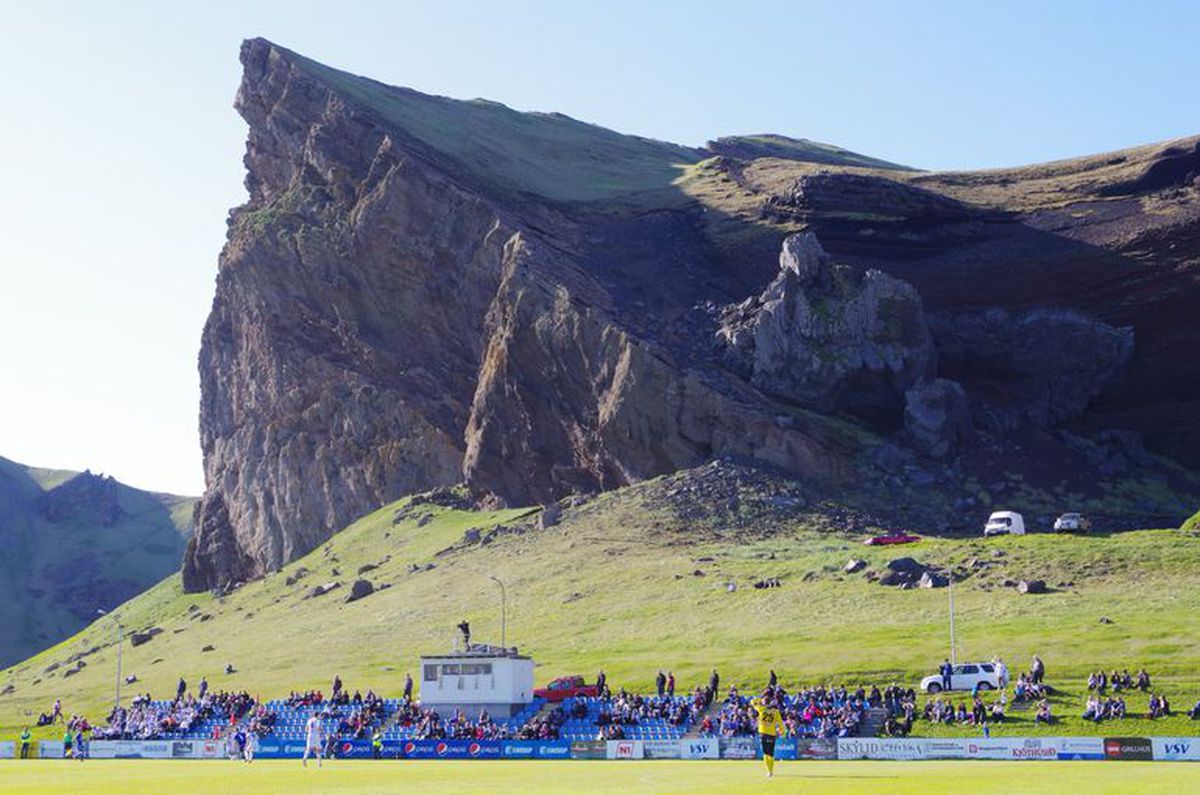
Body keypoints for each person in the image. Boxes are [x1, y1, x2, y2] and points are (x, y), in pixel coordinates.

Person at [751, 693, 784, 779]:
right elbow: (780, 723)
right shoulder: (776, 712)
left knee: (765, 754)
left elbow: (752, 701)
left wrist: (760, 698)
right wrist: (782, 732)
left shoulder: (761, 709)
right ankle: (771, 771)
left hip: (763, 733)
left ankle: (769, 771)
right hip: (772, 734)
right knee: (771, 754)